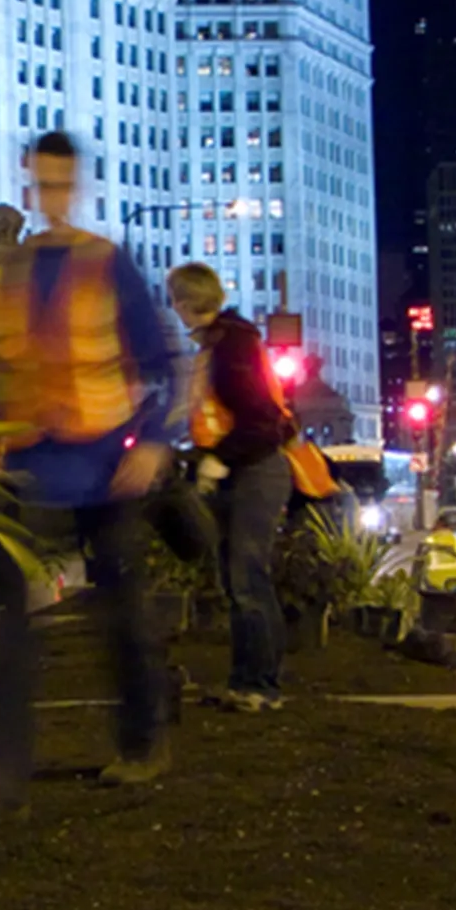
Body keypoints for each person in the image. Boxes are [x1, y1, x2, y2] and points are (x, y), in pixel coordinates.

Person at [0, 130, 185, 803]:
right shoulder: (13, 273)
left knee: (124, 611)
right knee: (11, 622)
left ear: (75, 186)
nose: (51, 195)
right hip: (32, 466)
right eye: (42, 183)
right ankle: (2, 769)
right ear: (30, 187)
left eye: (61, 183)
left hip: (106, 464)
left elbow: (163, 361)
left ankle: (143, 744)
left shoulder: (106, 263)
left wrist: (151, 442)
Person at [170, 263, 292, 712]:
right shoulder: (228, 341)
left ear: (182, 303)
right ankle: (248, 683)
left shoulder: (230, 347)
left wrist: (221, 458)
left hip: (252, 470)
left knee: (247, 580)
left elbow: (261, 420)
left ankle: (261, 685)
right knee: (241, 580)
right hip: (248, 467)